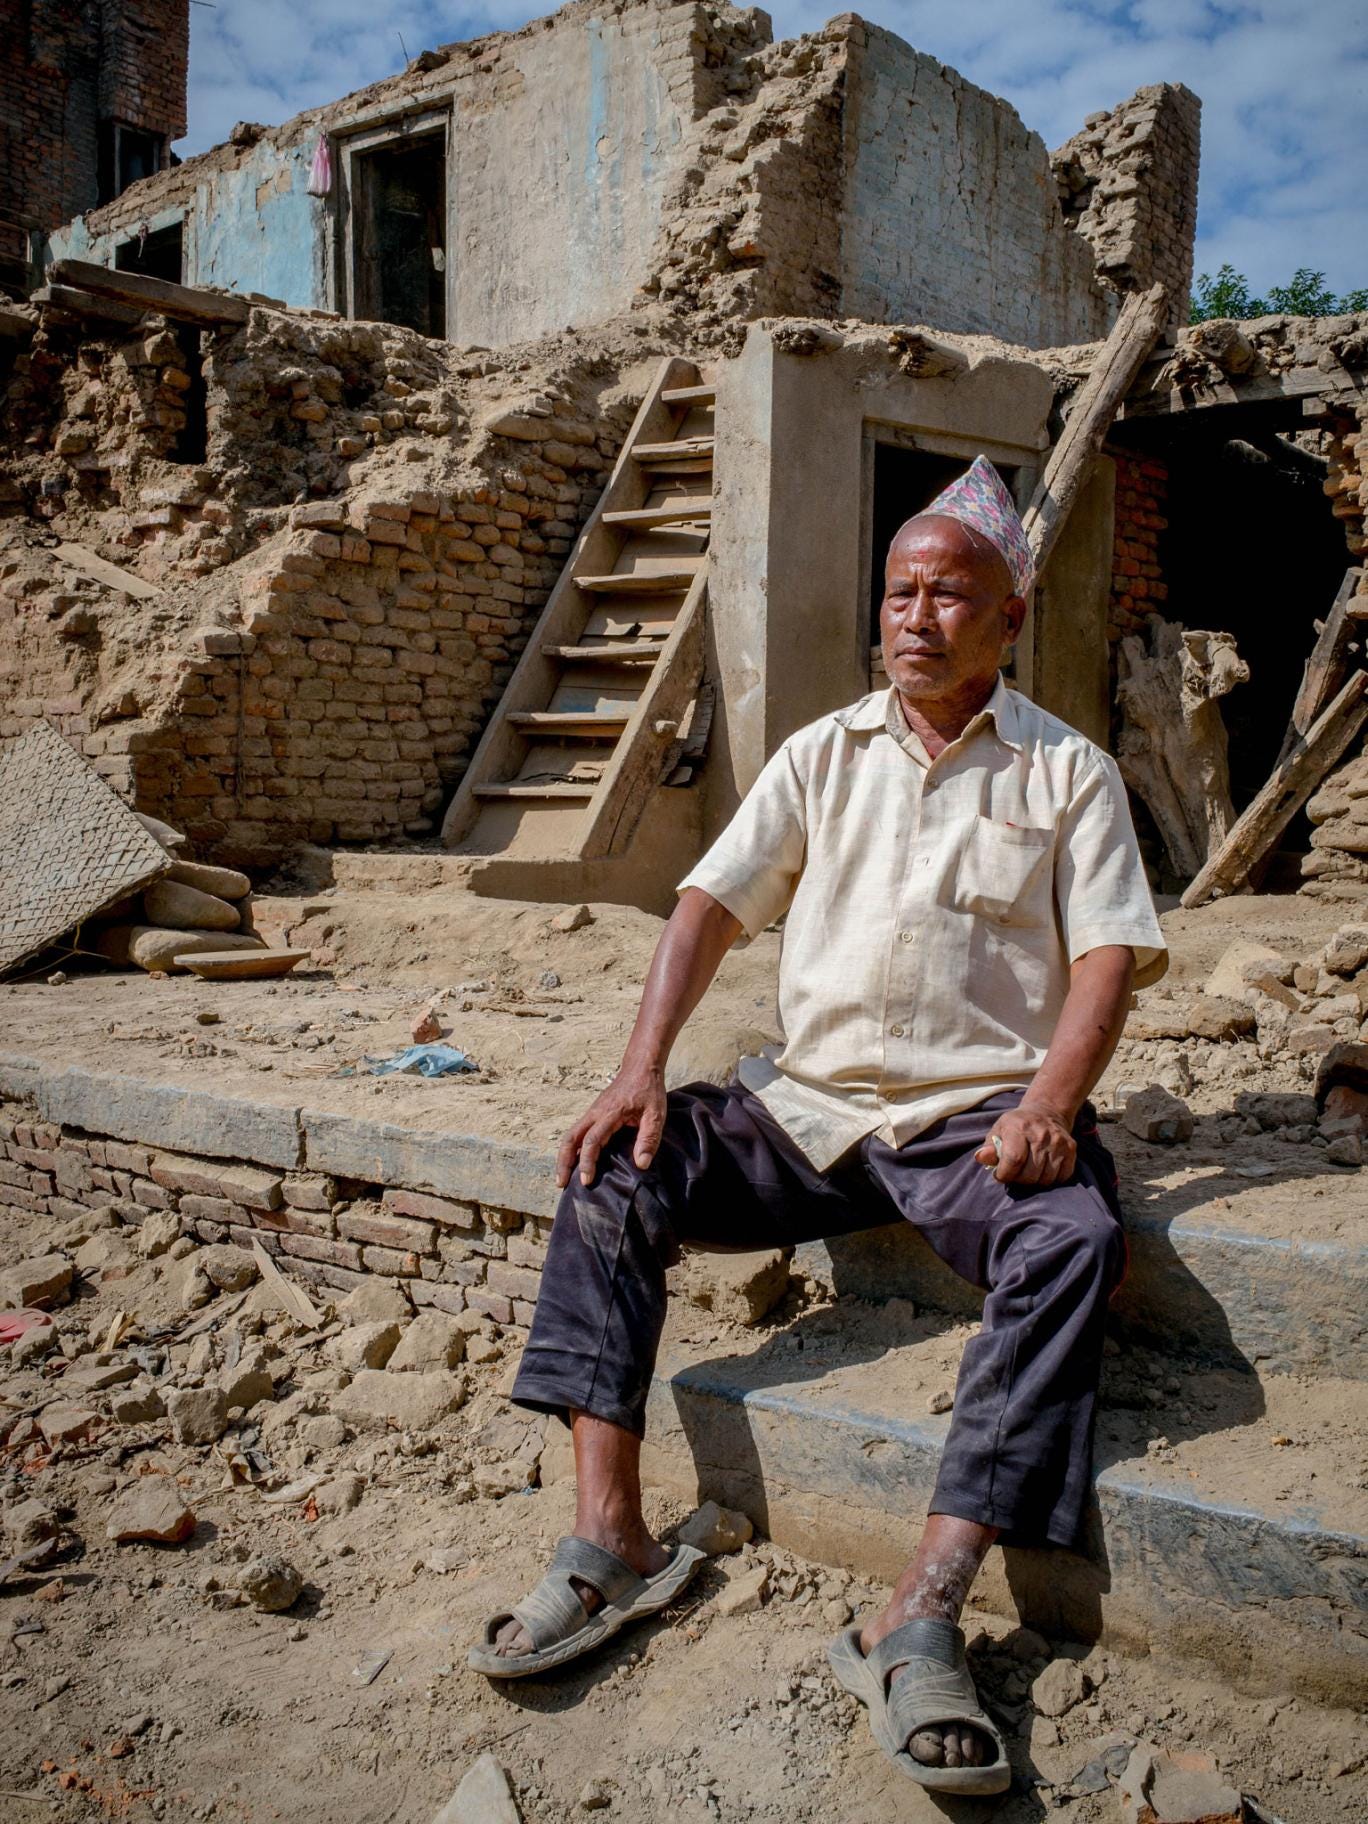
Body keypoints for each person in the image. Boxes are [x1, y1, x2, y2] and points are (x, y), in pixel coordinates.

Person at [468, 457, 1166, 1797]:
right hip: (813, 1108)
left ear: (1007, 620)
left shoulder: (1069, 776)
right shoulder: (820, 755)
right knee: (619, 1166)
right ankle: (609, 1540)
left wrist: (1048, 1109)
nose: (915, 615)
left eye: (949, 594)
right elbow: (707, 909)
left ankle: (919, 1610)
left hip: (972, 1125)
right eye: (900, 591)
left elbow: (1107, 965)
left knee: (1076, 1237)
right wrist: (639, 1070)